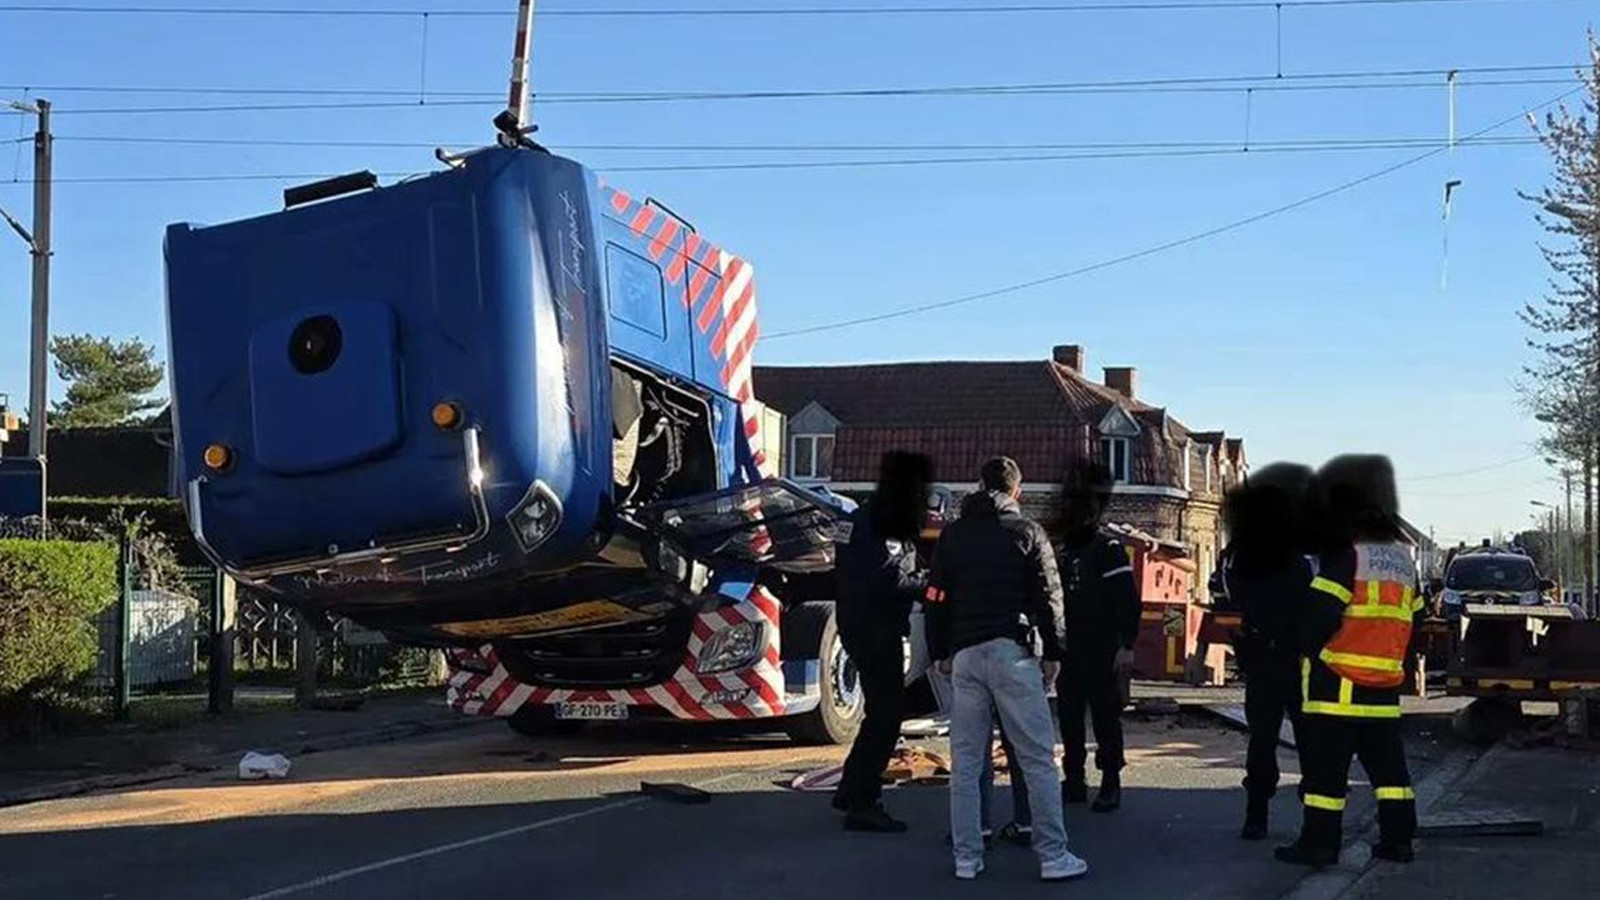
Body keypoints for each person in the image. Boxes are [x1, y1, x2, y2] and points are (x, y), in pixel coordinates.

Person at [926, 456, 1087, 882]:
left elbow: (935, 596)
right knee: (1036, 759)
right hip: (1011, 651)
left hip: (964, 655)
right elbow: (1050, 597)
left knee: (965, 762)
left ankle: (967, 857)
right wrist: (1054, 652)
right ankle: (1053, 855)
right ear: (1018, 491)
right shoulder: (1028, 532)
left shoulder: (954, 535)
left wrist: (941, 649)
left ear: (979, 485)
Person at [1275, 454, 1425, 867]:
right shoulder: (1401, 560)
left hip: (1337, 685)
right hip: (1383, 687)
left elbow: (1320, 614)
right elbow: (1417, 618)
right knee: (1391, 775)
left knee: (1326, 777)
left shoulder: (1348, 556)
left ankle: (1319, 846)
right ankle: (1399, 843)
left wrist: (1303, 649)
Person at [830, 451, 934, 833]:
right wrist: (932, 586)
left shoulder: (859, 516)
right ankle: (863, 801)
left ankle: (850, 788)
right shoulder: (883, 524)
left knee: (879, 713)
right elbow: (889, 581)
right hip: (877, 630)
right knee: (886, 717)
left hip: (856, 625)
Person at [1220, 462, 1317, 840]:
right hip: (1293, 659)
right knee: (1308, 736)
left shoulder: (1245, 557)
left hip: (1260, 658)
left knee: (1262, 739)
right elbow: (1309, 602)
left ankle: (1256, 815)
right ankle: (1313, 810)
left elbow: (1232, 594)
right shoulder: (1295, 559)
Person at [1055, 461, 1140, 813]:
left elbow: (1127, 601)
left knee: (1105, 717)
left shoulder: (1108, 550)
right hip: (1068, 648)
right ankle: (1074, 779)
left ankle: (1110, 782)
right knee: (1070, 717)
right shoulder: (1064, 553)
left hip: (1102, 647)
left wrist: (1127, 645)